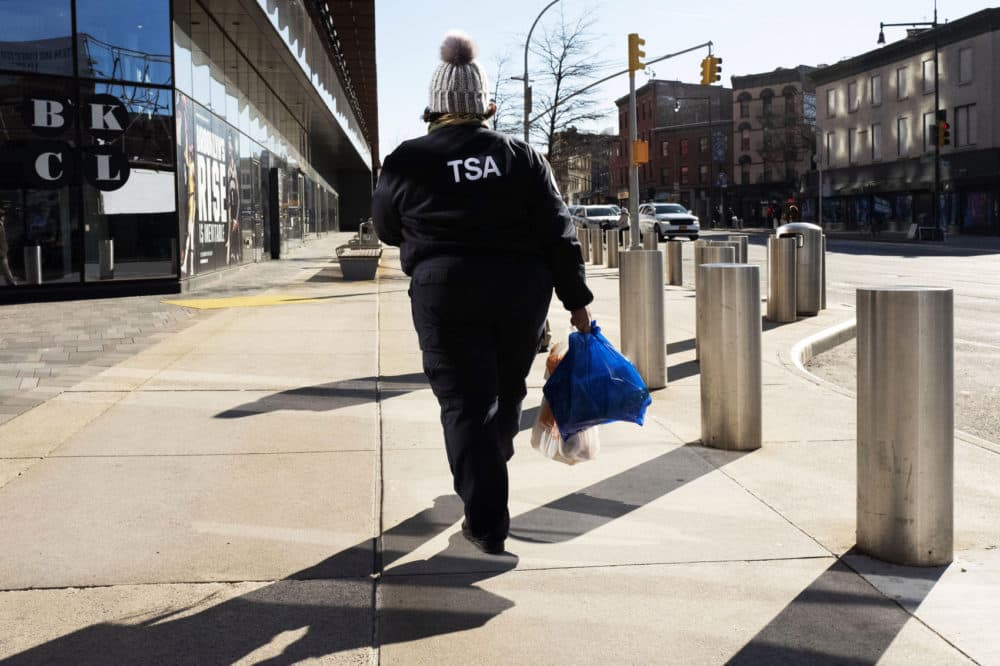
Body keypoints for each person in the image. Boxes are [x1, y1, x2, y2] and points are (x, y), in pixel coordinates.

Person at [372, 32, 593, 555]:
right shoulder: (522, 157)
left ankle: (486, 515)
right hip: (520, 295)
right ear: (485, 105)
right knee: (505, 391)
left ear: (435, 105)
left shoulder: (407, 159)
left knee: (466, 404)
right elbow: (559, 233)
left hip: (444, 293)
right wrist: (577, 303)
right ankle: (486, 474)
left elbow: (385, 227)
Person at [0, 207, 17, 286]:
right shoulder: (0, 225)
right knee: (7, 273)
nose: (4, 217)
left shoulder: (1, 224)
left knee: (7, 272)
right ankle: (13, 287)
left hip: (2, 252)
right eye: (3, 215)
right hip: (1, 253)